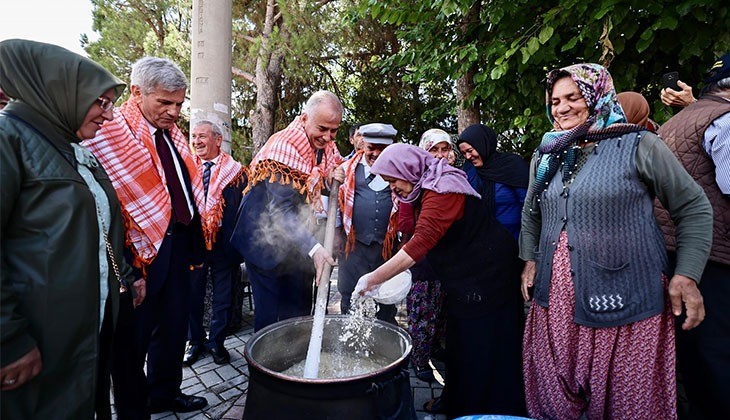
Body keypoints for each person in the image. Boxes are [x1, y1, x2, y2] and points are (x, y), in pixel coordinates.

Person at [519, 63, 712, 419]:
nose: (561, 108)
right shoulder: (547, 153)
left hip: (627, 302)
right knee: (555, 403)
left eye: (573, 97)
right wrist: (530, 259)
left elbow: (694, 208)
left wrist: (687, 275)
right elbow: (532, 210)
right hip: (556, 306)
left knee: (628, 407)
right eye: (555, 101)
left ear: (596, 96)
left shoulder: (639, 144)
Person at [0, 39, 135, 419]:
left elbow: (95, 224)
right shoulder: (7, 139)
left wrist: (122, 273)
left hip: (81, 336)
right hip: (37, 341)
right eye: (101, 102)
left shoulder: (75, 151)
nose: (109, 116)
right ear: (60, 92)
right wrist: (8, 340)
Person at [356, 143, 526, 418]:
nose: (392, 188)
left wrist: (373, 279)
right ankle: (457, 403)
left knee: (484, 349)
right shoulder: (422, 187)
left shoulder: (444, 189)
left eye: (392, 180)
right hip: (463, 281)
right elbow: (408, 232)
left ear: (408, 169)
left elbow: (421, 242)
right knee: (459, 345)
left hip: (489, 279)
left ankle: (484, 411)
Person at [83, 57, 208, 417]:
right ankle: (132, 407)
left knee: (172, 329)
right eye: (165, 103)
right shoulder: (111, 133)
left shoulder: (172, 134)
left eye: (179, 104)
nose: (173, 112)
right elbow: (110, 206)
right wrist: (129, 269)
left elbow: (184, 188)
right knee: (133, 341)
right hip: (140, 254)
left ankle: (164, 394)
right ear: (137, 92)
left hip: (179, 244)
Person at [655, 52, 730, 420]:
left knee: (696, 357)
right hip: (715, 256)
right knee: (719, 357)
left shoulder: (679, 121)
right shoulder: (725, 120)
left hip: (677, 254)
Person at [230, 90, 341, 332]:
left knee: (298, 314)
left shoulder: (324, 148)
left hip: (296, 242)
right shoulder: (284, 146)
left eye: (334, 130)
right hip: (263, 243)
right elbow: (279, 213)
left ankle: (294, 363)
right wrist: (314, 249)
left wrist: (334, 175)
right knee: (269, 321)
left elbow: (325, 174)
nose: (328, 137)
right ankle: (263, 369)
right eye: (322, 128)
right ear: (304, 119)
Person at [183, 120, 247, 366]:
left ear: (218, 140)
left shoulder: (236, 172)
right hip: (195, 243)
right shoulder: (187, 168)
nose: (197, 141)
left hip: (224, 245)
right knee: (193, 294)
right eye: (194, 136)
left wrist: (237, 244)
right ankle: (194, 341)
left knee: (223, 297)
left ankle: (217, 343)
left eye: (202, 136)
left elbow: (242, 210)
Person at [333, 123, 399, 324]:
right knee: (349, 297)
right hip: (353, 249)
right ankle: (350, 348)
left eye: (383, 149)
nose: (376, 154)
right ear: (363, 145)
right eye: (372, 148)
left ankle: (384, 349)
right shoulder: (346, 169)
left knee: (386, 301)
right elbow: (335, 206)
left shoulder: (399, 171)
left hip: (385, 251)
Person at [457, 124, 529, 240]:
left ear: (482, 144)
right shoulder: (470, 171)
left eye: (470, 150)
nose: (468, 156)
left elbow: (528, 206)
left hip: (514, 241)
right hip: (481, 243)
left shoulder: (512, 166)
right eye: (464, 153)